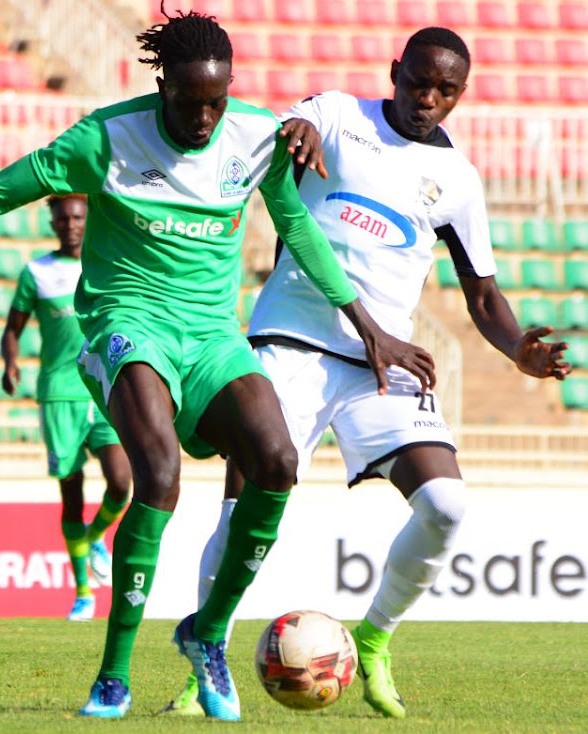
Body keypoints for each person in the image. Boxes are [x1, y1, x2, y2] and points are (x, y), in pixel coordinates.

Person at [0, 6, 436, 721]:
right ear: (163, 87)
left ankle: (207, 633)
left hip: (213, 337)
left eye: (216, 101)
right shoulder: (105, 140)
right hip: (124, 324)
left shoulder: (253, 139)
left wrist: (367, 326)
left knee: (278, 459)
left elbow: (299, 231)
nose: (204, 118)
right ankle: (113, 673)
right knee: (158, 473)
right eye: (190, 103)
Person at [166, 26, 573, 720]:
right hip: (292, 343)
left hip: (382, 366)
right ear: (395, 72)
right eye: (418, 82)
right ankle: (207, 657)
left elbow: (482, 295)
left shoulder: (459, 182)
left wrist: (516, 351)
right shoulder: (340, 115)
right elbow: (292, 125)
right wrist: (299, 133)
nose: (428, 98)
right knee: (245, 506)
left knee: (446, 506)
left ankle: (375, 637)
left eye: (446, 90)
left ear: (461, 96)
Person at [0, 193, 132, 621]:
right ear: (53, 223)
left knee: (121, 482)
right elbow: (12, 329)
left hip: (104, 385)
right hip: (59, 393)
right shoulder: (35, 272)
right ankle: (82, 593)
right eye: (62, 218)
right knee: (71, 495)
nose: (70, 225)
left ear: (87, 218)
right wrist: (10, 362)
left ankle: (97, 535)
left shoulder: (107, 262)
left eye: (77, 217)